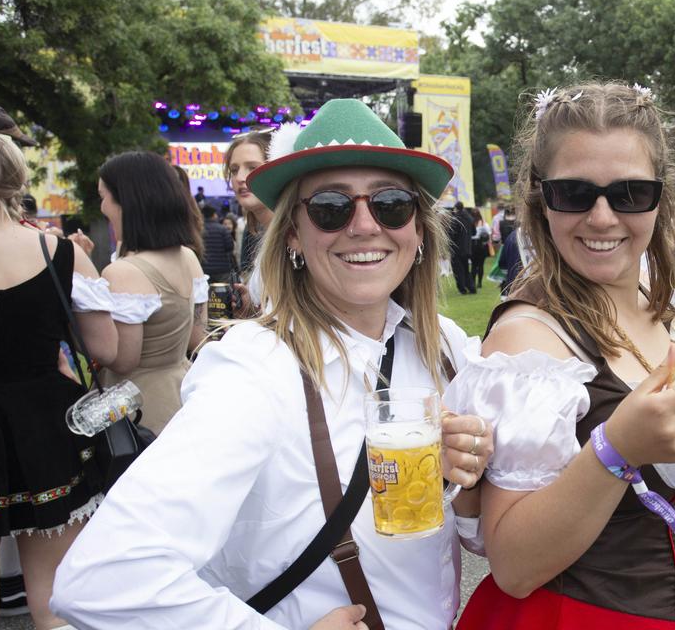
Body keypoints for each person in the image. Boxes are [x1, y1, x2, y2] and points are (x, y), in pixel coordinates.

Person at [52, 98, 493, 629]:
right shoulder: (255, 368)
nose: (364, 226)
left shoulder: (443, 347)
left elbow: (477, 543)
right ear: (292, 237)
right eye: (331, 208)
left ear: (418, 231)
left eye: (391, 204)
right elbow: (101, 578)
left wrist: (465, 486)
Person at [447, 83, 675, 629]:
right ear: (538, 198)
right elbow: (514, 565)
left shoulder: (655, 301)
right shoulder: (529, 342)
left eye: (629, 194)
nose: (601, 217)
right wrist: (616, 450)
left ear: (661, 198)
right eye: (574, 193)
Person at [0, 129, 117, 629]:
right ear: (20, 179)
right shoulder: (59, 252)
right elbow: (105, 350)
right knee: (55, 593)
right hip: (46, 429)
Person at [96, 151, 209, 433]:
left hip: (140, 409)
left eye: (104, 196)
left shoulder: (123, 272)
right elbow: (198, 338)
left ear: (126, 202)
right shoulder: (188, 256)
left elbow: (123, 360)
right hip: (182, 394)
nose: (102, 207)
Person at [224, 130, 274, 277]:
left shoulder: (298, 235)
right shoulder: (255, 231)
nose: (240, 177)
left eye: (252, 167)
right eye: (234, 170)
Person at [200, 204, 236, 283]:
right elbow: (230, 247)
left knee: (207, 292)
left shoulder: (199, 230)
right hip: (222, 269)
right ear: (214, 215)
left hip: (204, 269)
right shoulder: (222, 229)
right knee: (224, 292)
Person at [447, 202, 476, 294]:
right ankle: (471, 287)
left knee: (458, 270)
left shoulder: (455, 220)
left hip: (456, 249)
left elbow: (451, 235)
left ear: (456, 208)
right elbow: (474, 233)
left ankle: (462, 289)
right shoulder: (470, 219)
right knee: (466, 269)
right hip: (467, 248)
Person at [470, 207, 490, 290]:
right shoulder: (483, 223)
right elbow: (488, 232)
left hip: (472, 245)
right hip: (481, 245)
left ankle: (473, 282)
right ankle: (479, 283)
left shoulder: (470, 222)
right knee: (481, 265)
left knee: (474, 265)